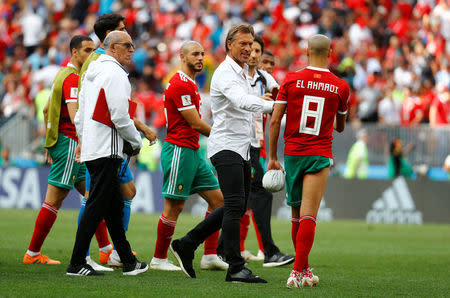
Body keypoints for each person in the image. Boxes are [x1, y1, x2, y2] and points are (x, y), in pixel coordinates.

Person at [170, 24, 274, 284]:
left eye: (250, 44)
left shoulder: (242, 73)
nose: (248, 49)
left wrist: (267, 100)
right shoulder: (226, 73)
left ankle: (187, 243)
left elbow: (247, 106)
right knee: (235, 205)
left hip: (241, 148)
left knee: (234, 206)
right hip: (226, 146)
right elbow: (241, 102)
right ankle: (235, 267)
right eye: (243, 44)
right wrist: (272, 105)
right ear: (229, 44)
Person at [267, 34, 349, 288]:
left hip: (293, 153)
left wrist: (271, 157)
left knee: (296, 214)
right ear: (331, 52)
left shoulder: (291, 79)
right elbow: (341, 127)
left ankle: (302, 268)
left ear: (306, 51)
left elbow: (274, 119)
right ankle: (296, 271)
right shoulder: (341, 86)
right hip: (319, 153)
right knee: (309, 215)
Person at [77, 13, 157, 268]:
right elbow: (120, 116)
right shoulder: (115, 74)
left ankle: (126, 260)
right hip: (108, 149)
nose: (133, 50)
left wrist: (85, 139)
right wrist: (136, 142)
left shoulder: (92, 71)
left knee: (112, 206)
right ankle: (78, 261)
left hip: (93, 146)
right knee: (95, 205)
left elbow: (81, 115)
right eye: (128, 46)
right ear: (112, 46)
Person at [150, 40, 227, 271]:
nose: (200, 58)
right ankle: (159, 258)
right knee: (174, 207)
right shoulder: (179, 83)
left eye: (202, 54)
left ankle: (210, 255)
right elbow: (194, 122)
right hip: (179, 151)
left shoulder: (191, 83)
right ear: (182, 56)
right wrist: (223, 137)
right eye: (195, 54)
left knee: (219, 201)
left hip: (193, 151)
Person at [23, 35, 95, 265]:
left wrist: (49, 141)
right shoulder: (73, 78)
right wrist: (80, 142)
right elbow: (75, 116)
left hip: (63, 141)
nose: (90, 55)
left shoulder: (61, 75)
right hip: (71, 143)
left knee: (92, 194)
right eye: (86, 50)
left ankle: (105, 249)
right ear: (74, 52)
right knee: (54, 199)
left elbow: (46, 111)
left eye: (93, 50)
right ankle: (33, 253)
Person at [239, 35, 294, 267]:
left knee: (238, 201)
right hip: (236, 145)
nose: (254, 54)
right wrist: (257, 101)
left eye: (258, 51)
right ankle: (268, 251)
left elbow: (282, 95)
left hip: (253, 147)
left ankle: (220, 249)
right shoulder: (235, 75)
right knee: (253, 196)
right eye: (250, 49)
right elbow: (234, 102)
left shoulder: (263, 77)